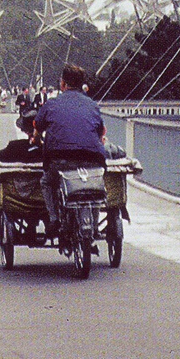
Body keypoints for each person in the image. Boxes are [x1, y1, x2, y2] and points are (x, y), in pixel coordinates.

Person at [32, 64, 106, 234]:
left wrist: (36, 140)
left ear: (63, 84)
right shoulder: (93, 105)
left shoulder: (51, 104)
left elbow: (38, 127)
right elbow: (100, 133)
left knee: (47, 182)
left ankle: (54, 219)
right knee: (93, 186)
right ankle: (94, 225)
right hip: (92, 158)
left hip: (60, 159)